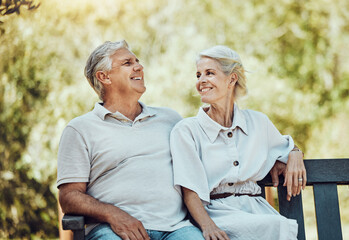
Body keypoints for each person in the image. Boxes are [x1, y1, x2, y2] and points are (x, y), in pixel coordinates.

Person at [57, 40, 205, 240]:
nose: (139, 67)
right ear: (104, 77)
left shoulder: (171, 120)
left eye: (137, 61)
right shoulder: (80, 129)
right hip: (112, 230)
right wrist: (113, 214)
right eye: (127, 63)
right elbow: (69, 197)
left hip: (176, 228)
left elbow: (196, 170)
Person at [170, 45, 306, 240]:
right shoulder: (186, 131)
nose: (201, 81)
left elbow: (286, 147)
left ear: (232, 79)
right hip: (215, 214)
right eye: (198, 75)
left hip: (255, 210)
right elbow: (189, 191)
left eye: (209, 73)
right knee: (273, 225)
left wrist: (295, 153)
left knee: (275, 224)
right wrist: (209, 227)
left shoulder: (258, 122)